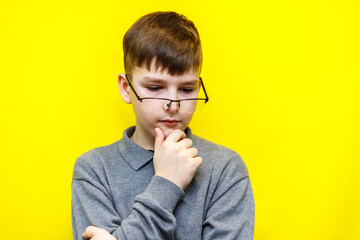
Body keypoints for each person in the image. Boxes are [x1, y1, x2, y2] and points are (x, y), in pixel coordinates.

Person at [72, 11, 255, 240]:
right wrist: (167, 184)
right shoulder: (93, 171)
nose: (173, 104)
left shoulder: (225, 170)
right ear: (125, 87)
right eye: (155, 88)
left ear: (198, 88)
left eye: (186, 90)